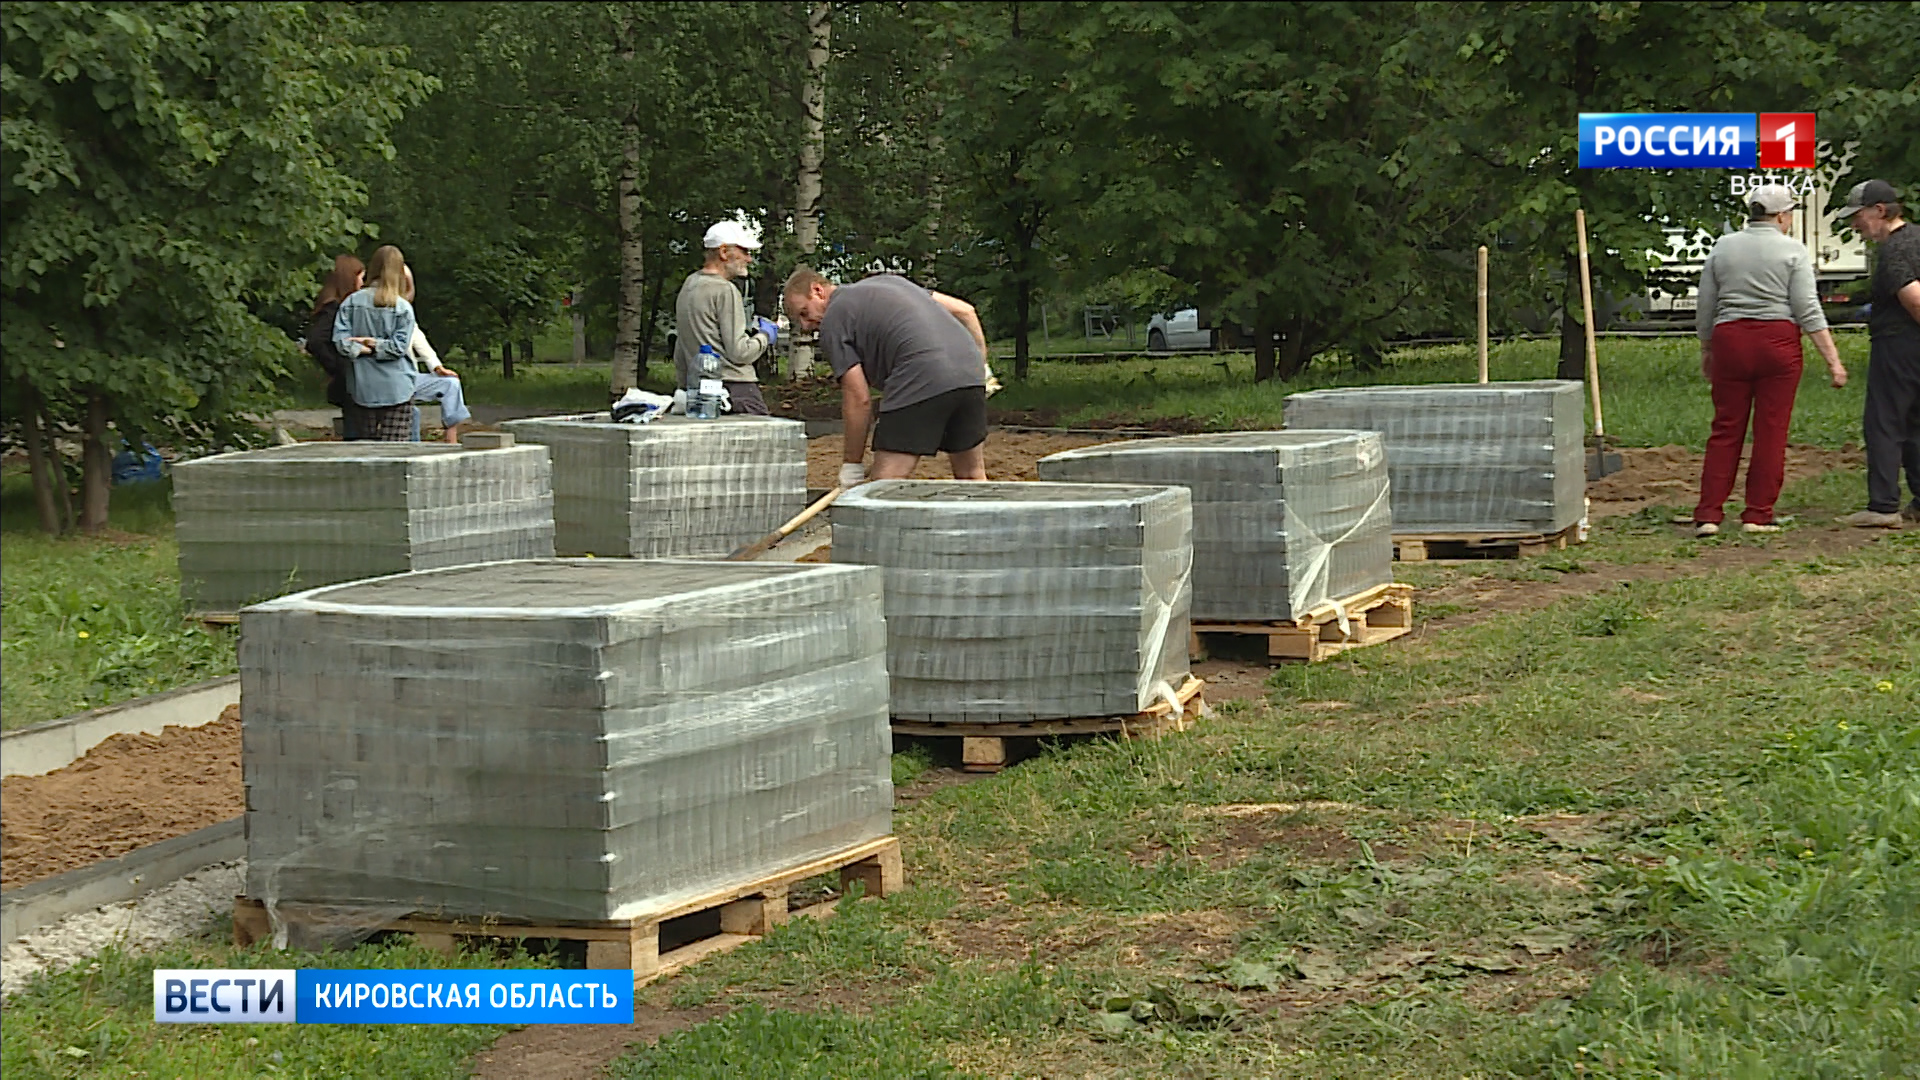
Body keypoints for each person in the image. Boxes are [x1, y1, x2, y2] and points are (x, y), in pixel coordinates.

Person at [1689, 183, 1848, 537]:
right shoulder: (1793, 252)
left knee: (1725, 428)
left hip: (1731, 340)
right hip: (1777, 342)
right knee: (1770, 431)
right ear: (1781, 216)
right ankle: (1757, 514)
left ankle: (1709, 514)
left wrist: (1707, 348)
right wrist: (1833, 361)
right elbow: (1807, 309)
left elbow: (1706, 304)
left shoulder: (1723, 247)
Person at [783, 267, 992, 487]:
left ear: (817, 291)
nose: (806, 326)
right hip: (971, 375)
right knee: (972, 478)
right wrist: (982, 366)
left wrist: (852, 465)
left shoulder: (834, 319)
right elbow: (966, 311)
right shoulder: (892, 283)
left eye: (804, 313)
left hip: (918, 376)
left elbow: (858, 399)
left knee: (883, 488)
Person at [1832, 179, 1920, 527]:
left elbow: (1913, 297)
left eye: (1858, 216)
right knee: (1915, 423)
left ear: (1880, 211)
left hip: (1899, 344)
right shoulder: (1918, 237)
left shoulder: (1895, 250)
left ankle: (1882, 506)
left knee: (1884, 422)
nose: (1855, 225)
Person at [674, 221, 778, 416]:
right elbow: (740, 352)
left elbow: (680, 350)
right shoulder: (725, 289)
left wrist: (685, 387)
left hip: (699, 389)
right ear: (723, 252)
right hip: (737, 389)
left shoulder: (690, 284)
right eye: (744, 252)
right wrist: (765, 335)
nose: (749, 259)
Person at [332, 245, 419, 441]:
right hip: (398, 387)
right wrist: (377, 346)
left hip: (362, 387)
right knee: (395, 451)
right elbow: (399, 347)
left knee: (366, 449)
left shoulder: (351, 302)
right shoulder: (403, 307)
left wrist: (363, 347)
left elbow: (340, 341)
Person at [397, 266, 471, 443]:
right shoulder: (386, 311)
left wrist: (437, 367)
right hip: (395, 379)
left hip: (411, 377)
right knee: (412, 412)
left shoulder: (406, 313)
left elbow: (419, 340)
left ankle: (451, 439)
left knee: (450, 384)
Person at [307, 255, 365, 438]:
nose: (363, 283)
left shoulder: (333, 306)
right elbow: (315, 341)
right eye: (361, 278)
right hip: (347, 381)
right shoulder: (333, 309)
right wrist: (339, 367)